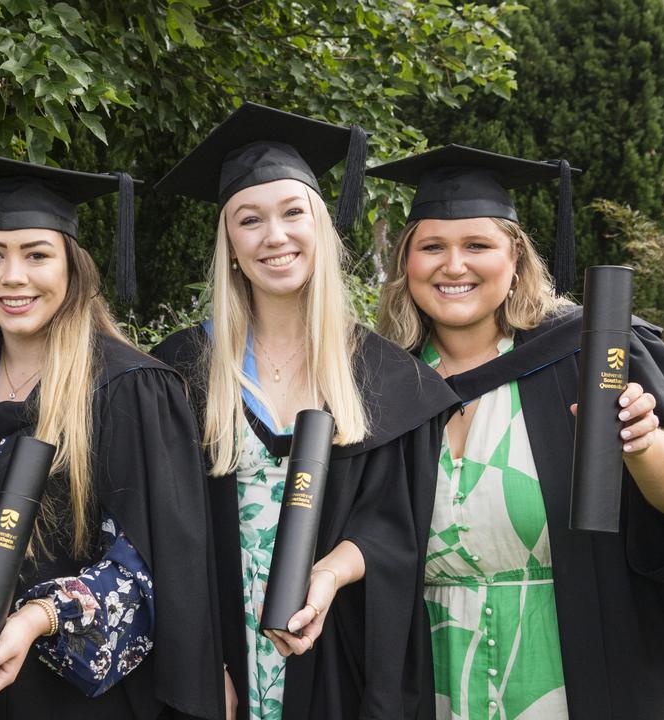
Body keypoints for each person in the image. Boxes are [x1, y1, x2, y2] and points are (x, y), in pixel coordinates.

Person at [368, 144, 664, 719]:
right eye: (432, 247)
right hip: (436, 668)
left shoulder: (593, 351)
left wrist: (642, 443)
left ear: (516, 260)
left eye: (477, 245)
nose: (453, 265)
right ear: (406, 264)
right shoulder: (385, 383)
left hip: (580, 659)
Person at [150, 103, 458, 720]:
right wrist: (197, 664)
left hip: (335, 653)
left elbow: (397, 527)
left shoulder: (382, 375)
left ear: (321, 226)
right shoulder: (180, 370)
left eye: (294, 212)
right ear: (230, 244)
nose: (275, 236)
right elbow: (158, 535)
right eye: (249, 220)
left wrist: (331, 576)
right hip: (217, 657)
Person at [0, 157, 221, 719]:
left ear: (73, 268)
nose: (12, 276)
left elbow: (155, 565)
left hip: (85, 700)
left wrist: (38, 617)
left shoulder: (131, 390)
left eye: (37, 254)